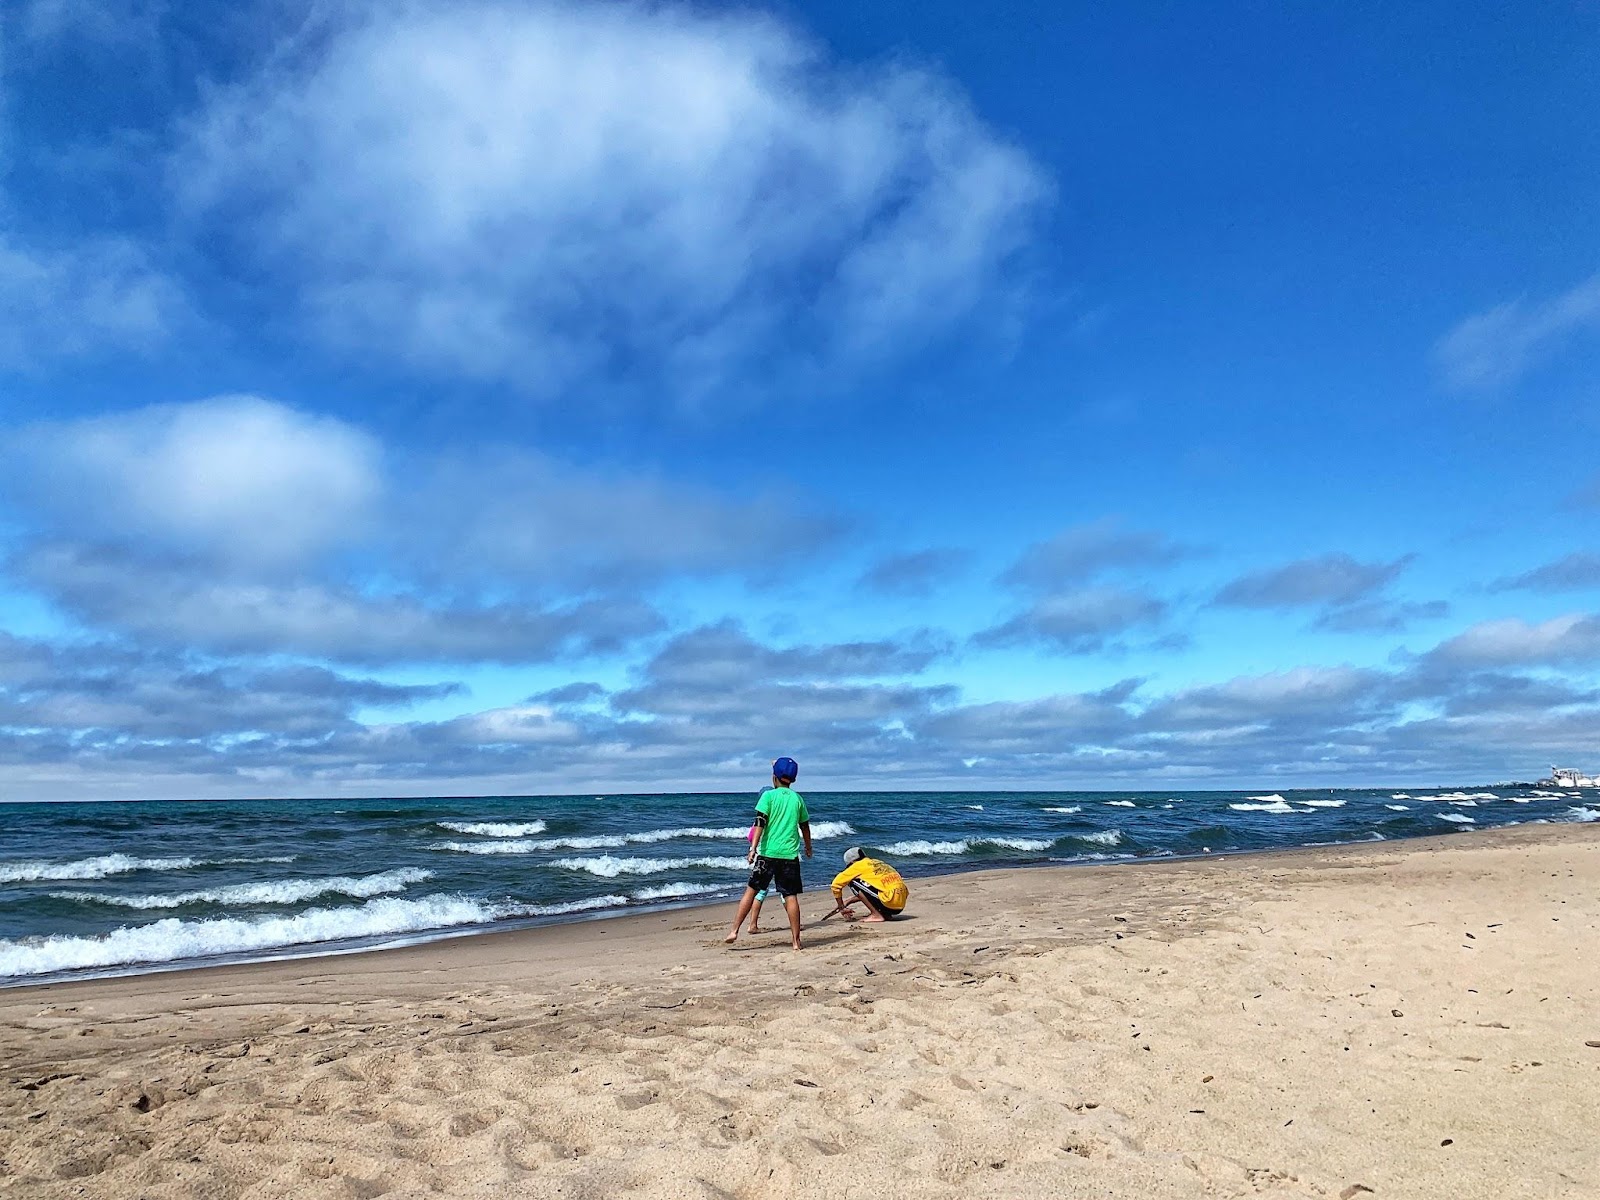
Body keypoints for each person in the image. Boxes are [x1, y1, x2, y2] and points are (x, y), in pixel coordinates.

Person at [725, 756, 812, 950]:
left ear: (774, 777)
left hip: (767, 854)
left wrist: (753, 848)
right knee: (791, 896)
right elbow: (805, 826)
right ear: (794, 780)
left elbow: (759, 822)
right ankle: (796, 941)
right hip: (789, 855)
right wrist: (808, 847)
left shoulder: (768, 797)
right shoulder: (797, 799)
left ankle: (735, 930)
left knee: (751, 890)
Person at [828, 846, 908, 923]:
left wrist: (841, 907)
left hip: (889, 903)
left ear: (851, 862)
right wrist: (849, 901)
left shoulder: (856, 866)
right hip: (900, 904)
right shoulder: (877, 862)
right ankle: (885, 914)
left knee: (852, 881)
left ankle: (876, 915)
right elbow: (874, 890)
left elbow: (835, 885)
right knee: (878, 885)